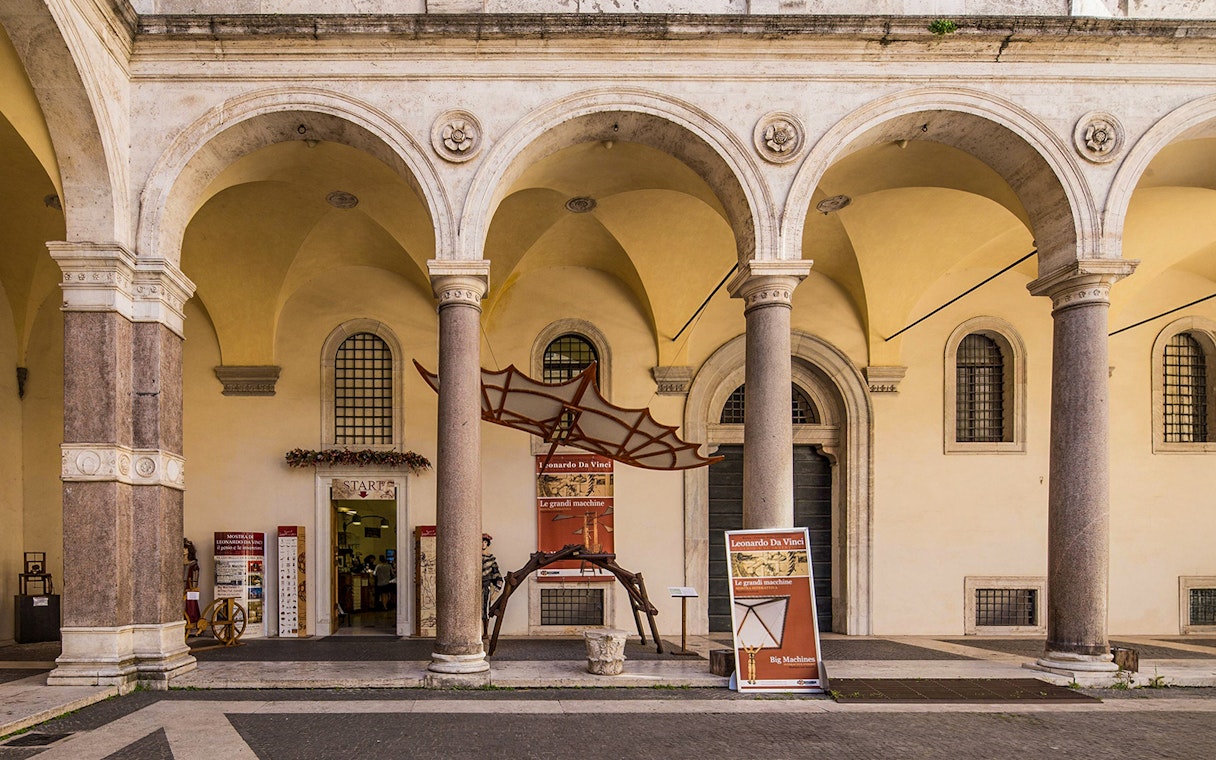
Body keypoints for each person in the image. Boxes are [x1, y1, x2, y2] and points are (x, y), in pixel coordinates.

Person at [481, 533, 503, 637]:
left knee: (485, 610)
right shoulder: (472, 559)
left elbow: (497, 576)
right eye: (481, 542)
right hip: (472, 588)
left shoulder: (491, 559)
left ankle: (485, 632)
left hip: (486, 587)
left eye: (485, 542)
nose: (483, 544)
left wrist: (496, 590)